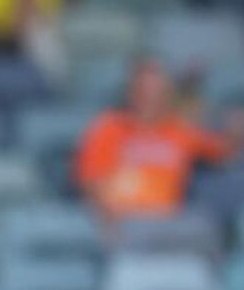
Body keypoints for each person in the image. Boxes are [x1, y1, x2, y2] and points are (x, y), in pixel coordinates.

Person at [76, 59, 244, 220]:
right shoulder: (108, 128)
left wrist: (236, 128)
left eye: (158, 92)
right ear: (130, 92)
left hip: (167, 225)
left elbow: (225, 150)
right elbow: (91, 182)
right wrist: (107, 220)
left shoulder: (181, 131)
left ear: (168, 94)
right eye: (143, 92)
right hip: (121, 221)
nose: (150, 101)